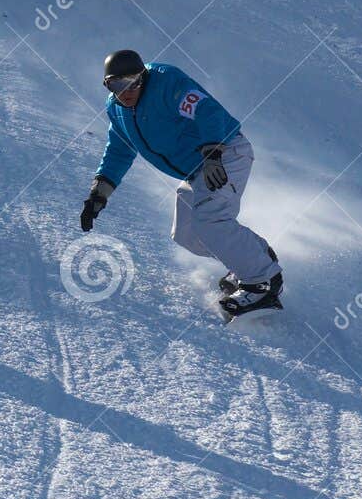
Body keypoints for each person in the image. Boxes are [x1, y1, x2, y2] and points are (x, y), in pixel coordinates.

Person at [79, 49, 283, 316]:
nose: (126, 90)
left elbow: (207, 111)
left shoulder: (167, 82)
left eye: (133, 81)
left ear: (144, 76)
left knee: (210, 220)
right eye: (117, 84)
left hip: (224, 154)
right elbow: (119, 151)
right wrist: (99, 194)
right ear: (107, 85)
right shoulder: (116, 110)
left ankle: (263, 282)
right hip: (197, 171)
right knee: (186, 234)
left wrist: (212, 154)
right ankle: (253, 258)